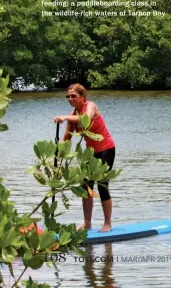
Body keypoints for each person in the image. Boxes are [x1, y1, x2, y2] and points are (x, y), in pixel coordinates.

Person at [53, 84, 116, 231]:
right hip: (90, 153)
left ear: (83, 97)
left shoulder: (91, 106)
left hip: (106, 149)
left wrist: (65, 117)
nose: (70, 98)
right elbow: (66, 139)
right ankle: (87, 223)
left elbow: (86, 118)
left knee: (102, 186)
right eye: (68, 96)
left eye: (73, 96)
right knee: (86, 187)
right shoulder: (73, 116)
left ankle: (108, 223)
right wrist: (58, 155)